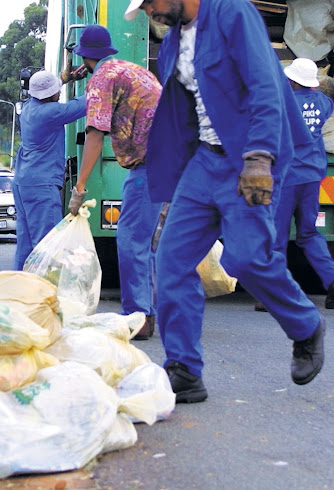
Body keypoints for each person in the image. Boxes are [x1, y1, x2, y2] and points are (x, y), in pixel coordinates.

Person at [124, 0, 325, 403]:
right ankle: (184, 369)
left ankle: (306, 326)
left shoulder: (232, 13)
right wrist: (174, 184)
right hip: (203, 163)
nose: (151, 14)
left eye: (151, 4)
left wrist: (260, 157)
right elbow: (183, 116)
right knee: (171, 261)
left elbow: (266, 84)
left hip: (248, 158)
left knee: (246, 259)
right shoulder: (171, 44)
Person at [66, 24, 163, 341]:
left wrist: (79, 188)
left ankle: (138, 317)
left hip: (149, 163)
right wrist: (83, 71)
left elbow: (94, 136)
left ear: (85, 55)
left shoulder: (101, 80)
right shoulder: (125, 69)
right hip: (170, 154)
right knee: (144, 241)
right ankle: (146, 312)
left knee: (130, 238)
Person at [255, 58, 334, 312]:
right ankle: (332, 281)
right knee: (309, 233)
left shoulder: (282, 102)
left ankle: (273, 294)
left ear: (290, 79)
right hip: (313, 175)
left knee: (276, 235)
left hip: (286, 177)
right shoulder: (325, 102)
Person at [12, 70, 88, 270]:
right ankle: (43, 292)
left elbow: (47, 94)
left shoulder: (28, 108)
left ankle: (21, 291)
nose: (59, 94)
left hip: (23, 182)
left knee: (26, 244)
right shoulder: (51, 113)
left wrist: (66, 78)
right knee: (47, 244)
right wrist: (102, 80)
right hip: (41, 185)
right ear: (50, 95)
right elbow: (82, 104)